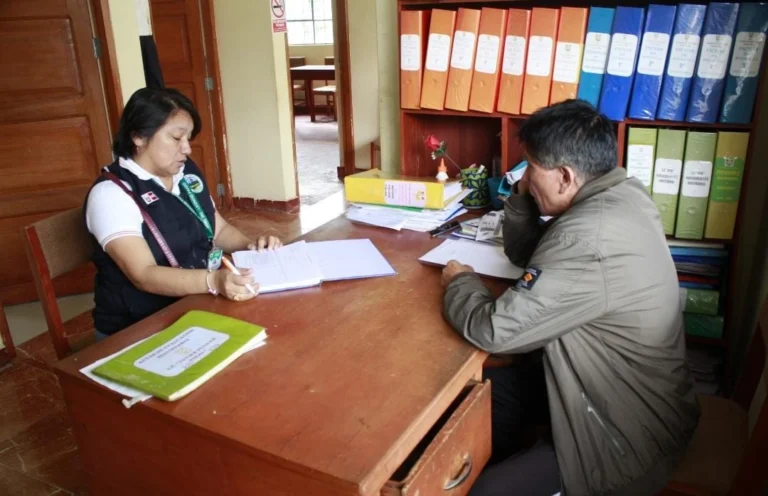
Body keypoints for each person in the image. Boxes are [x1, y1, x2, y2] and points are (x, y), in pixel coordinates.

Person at [441, 100, 700, 496]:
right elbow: (532, 254)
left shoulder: (587, 235)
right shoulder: (620, 193)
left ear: (564, 176)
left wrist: (461, 281)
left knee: (485, 491)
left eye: (530, 167)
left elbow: (495, 332)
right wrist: (525, 196)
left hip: (622, 439)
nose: (524, 175)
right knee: (486, 395)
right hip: (600, 387)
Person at [85, 87, 282, 339]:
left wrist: (252, 247)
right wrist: (213, 281)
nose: (187, 149)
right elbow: (143, 274)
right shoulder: (112, 194)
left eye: (188, 138)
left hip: (198, 303)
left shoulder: (184, 172)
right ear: (138, 137)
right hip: (142, 325)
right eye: (177, 138)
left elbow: (218, 229)